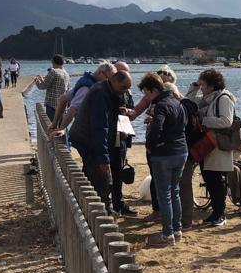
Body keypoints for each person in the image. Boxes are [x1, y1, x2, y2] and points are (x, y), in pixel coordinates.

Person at [68, 70, 133, 213]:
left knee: (93, 175)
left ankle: (93, 207)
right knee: (102, 180)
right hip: (87, 139)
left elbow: (107, 119)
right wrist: (103, 159)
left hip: (87, 137)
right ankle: (103, 210)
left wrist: (120, 111)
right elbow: (100, 127)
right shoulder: (100, 93)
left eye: (128, 89)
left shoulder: (109, 90)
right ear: (114, 81)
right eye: (123, 88)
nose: (125, 92)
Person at [139, 72, 187, 247]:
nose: (146, 96)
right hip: (181, 151)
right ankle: (177, 229)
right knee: (174, 191)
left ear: (153, 90)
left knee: (164, 194)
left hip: (164, 154)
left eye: (146, 92)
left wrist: (150, 145)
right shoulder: (176, 101)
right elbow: (182, 123)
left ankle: (167, 234)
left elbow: (157, 127)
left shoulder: (160, 105)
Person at [185, 69, 237, 227]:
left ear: (212, 86)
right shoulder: (207, 98)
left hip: (218, 144)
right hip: (207, 143)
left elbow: (226, 121)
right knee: (209, 178)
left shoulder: (223, 98)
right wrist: (193, 87)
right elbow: (188, 102)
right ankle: (216, 213)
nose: (201, 88)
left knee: (215, 180)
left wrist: (204, 120)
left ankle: (220, 214)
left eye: (203, 85)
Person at [51, 61, 118, 135]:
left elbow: (62, 99)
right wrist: (62, 129)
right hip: (86, 132)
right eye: (109, 79)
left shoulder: (87, 81)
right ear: (101, 73)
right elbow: (73, 109)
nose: (111, 83)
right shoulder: (87, 89)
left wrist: (54, 123)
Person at [108, 61, 137, 218]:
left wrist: (129, 112)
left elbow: (132, 110)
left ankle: (118, 202)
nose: (126, 82)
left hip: (123, 136)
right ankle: (114, 203)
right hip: (113, 137)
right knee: (112, 171)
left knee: (119, 169)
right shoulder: (107, 92)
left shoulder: (127, 91)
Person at [34, 55, 71, 121]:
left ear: (53, 62)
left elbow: (43, 86)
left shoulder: (53, 71)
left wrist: (37, 81)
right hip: (62, 106)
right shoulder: (66, 74)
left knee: (51, 127)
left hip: (52, 105)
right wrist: (43, 80)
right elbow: (66, 89)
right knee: (60, 128)